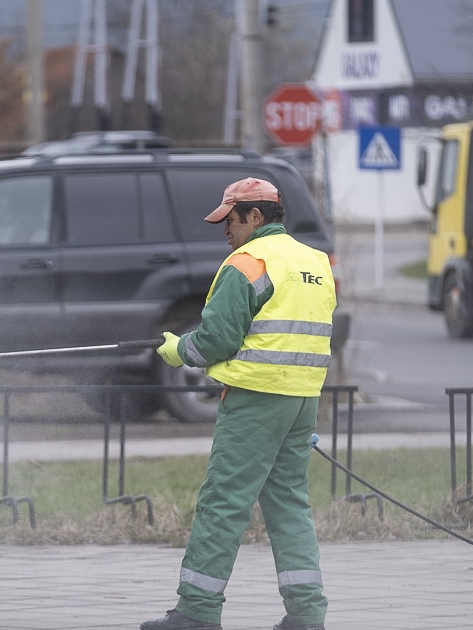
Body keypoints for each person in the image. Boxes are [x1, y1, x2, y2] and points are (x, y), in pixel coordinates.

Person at [141, 177, 336, 630]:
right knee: (289, 505)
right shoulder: (316, 263)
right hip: (301, 401)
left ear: (255, 216)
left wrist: (176, 350)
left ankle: (197, 612)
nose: (224, 229)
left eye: (230, 220)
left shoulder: (248, 262)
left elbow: (216, 340)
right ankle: (307, 617)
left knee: (223, 502)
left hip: (254, 399)